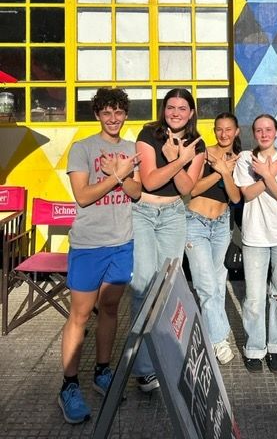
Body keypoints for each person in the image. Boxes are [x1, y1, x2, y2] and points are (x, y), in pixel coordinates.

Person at [58, 87, 141, 424]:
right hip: (89, 245)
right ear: (97, 115)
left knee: (109, 309)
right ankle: (68, 385)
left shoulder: (132, 149)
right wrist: (118, 174)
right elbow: (83, 196)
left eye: (119, 111)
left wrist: (123, 175)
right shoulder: (82, 149)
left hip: (123, 242)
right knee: (79, 316)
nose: (113, 118)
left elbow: (136, 193)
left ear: (124, 114)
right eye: (106, 112)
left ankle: (102, 372)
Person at [131, 88, 205, 392]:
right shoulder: (149, 133)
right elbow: (149, 180)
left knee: (168, 285)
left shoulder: (197, 144)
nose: (175, 113)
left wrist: (179, 159)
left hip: (174, 214)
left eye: (182, 108)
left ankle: (167, 354)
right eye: (171, 107)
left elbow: (188, 188)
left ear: (190, 112)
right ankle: (144, 368)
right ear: (164, 110)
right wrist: (178, 161)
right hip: (144, 214)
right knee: (144, 286)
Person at [233, 114, 277, 374]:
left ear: (276, 132)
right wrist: (265, 176)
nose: (263, 134)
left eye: (268, 129)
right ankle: (254, 348)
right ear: (253, 133)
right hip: (254, 238)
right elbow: (246, 194)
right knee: (253, 297)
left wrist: (267, 175)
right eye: (259, 130)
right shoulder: (244, 160)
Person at [185, 112, 241, 364]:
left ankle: (210, 335)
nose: (223, 134)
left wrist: (227, 173)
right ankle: (220, 340)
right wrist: (218, 172)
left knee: (217, 285)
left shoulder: (240, 159)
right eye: (219, 129)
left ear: (236, 131)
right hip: (195, 223)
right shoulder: (203, 153)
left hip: (221, 226)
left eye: (228, 129)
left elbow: (236, 197)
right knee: (205, 285)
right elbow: (192, 188)